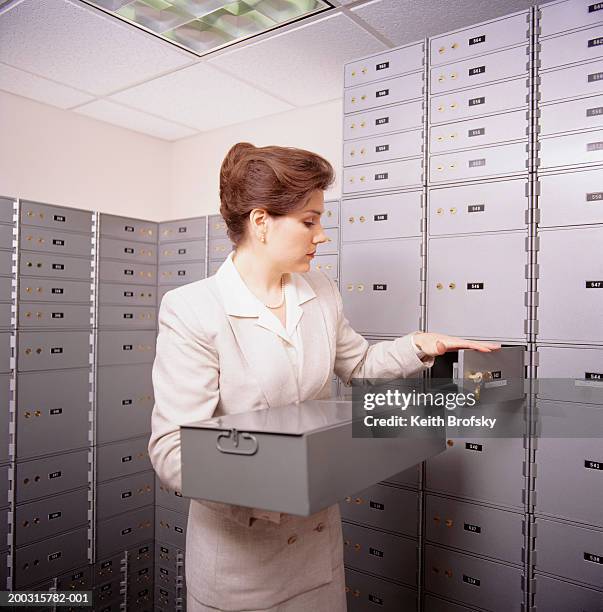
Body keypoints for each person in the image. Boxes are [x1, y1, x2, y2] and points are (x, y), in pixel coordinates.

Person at [149, 142, 500, 612]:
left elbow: (357, 366)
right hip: (241, 563)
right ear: (261, 222)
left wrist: (422, 345)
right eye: (309, 221)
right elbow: (173, 452)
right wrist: (279, 488)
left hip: (316, 554)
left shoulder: (320, 289)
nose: (322, 235)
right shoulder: (193, 309)